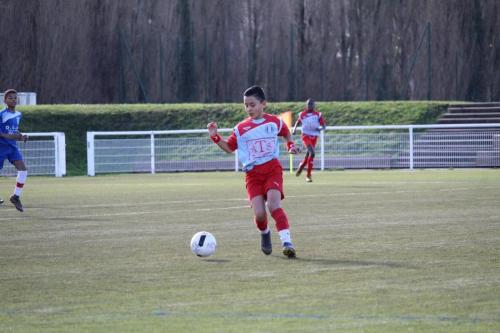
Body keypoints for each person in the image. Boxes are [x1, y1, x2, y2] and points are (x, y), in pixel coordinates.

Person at [207, 86, 300, 258]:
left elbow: (286, 132)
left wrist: (291, 145)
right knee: (259, 214)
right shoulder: (241, 128)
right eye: (246, 105)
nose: (249, 109)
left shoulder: (274, 121)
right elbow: (229, 147)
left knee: (273, 206)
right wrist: (215, 136)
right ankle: (265, 233)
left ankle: (287, 242)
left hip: (272, 169)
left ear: (263, 104)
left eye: (252, 104)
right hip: (253, 175)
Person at [0, 89, 28, 212]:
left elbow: (14, 130)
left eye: (15, 98)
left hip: (12, 147)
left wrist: (21, 136)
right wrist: (8, 136)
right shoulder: (1, 114)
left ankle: (15, 196)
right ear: (5, 100)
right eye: (10, 98)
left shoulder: (18, 114)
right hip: (1, 146)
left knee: (23, 170)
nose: (13, 100)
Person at [292, 98, 326, 182]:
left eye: (312, 104)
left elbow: (324, 125)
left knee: (309, 155)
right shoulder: (302, 114)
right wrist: (294, 129)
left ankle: (302, 166)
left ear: (314, 105)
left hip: (314, 136)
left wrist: (321, 128)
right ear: (306, 105)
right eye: (308, 104)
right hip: (305, 135)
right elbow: (298, 122)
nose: (310, 105)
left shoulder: (318, 115)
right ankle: (308, 175)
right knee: (312, 153)